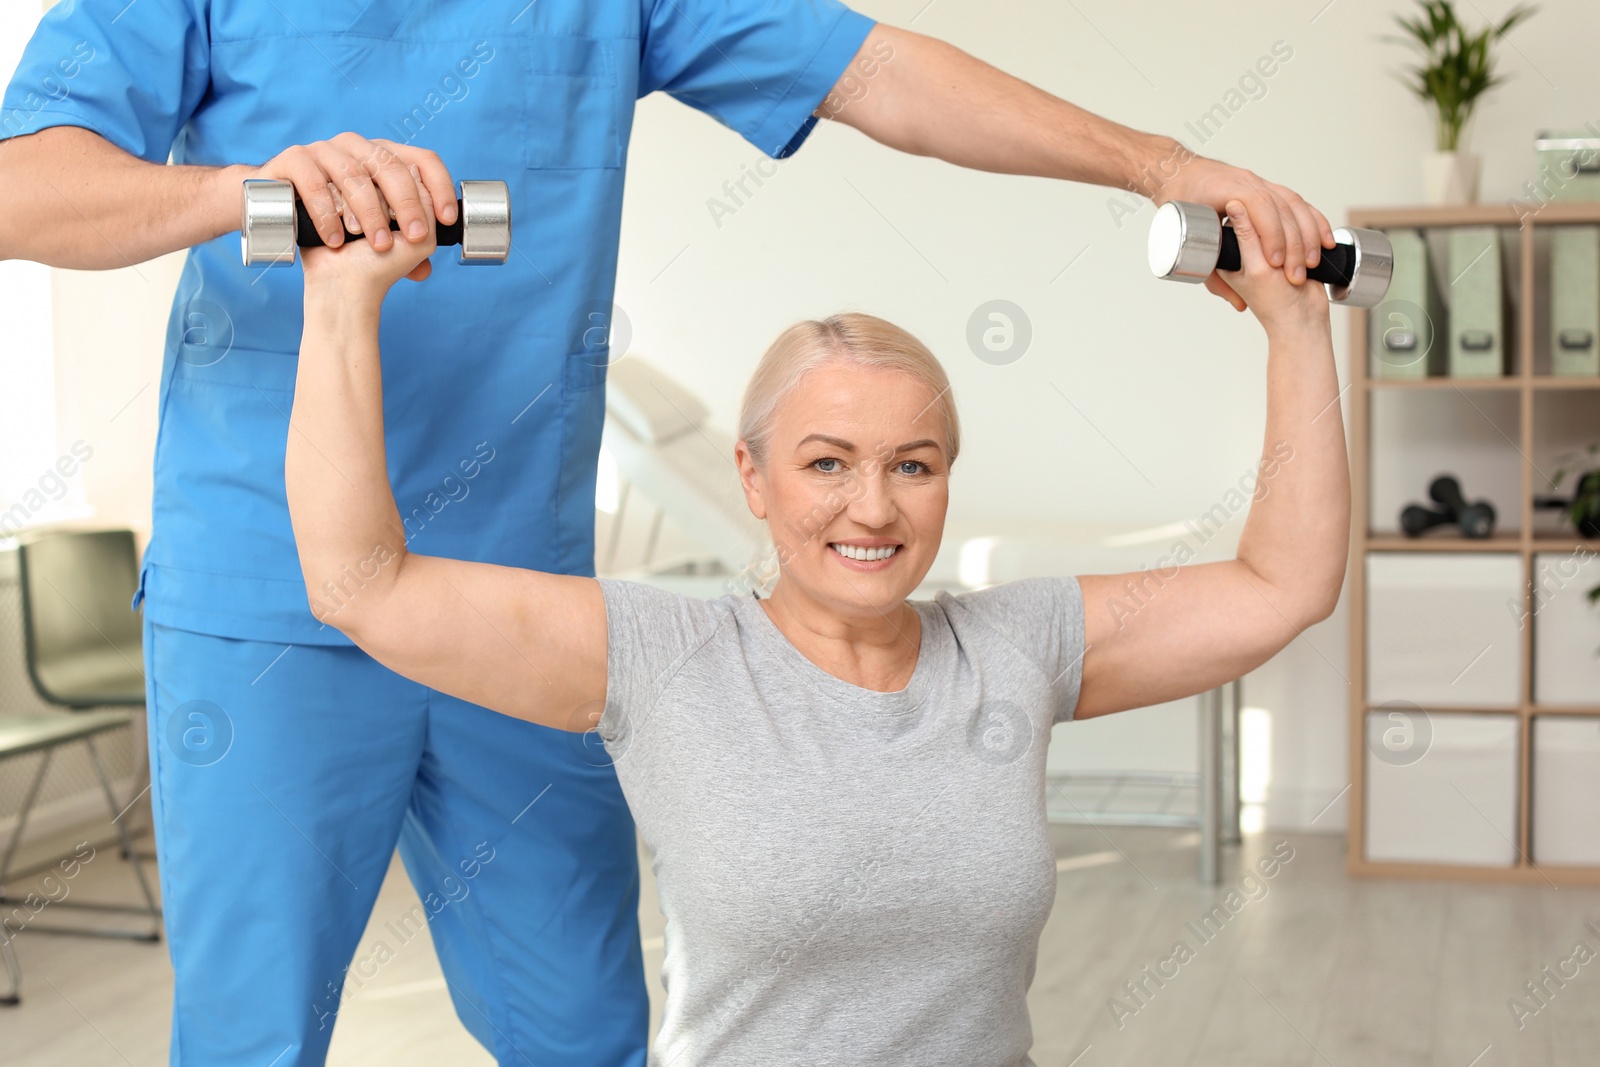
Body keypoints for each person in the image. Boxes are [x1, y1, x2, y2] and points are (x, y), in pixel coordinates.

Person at [0, 2, 1338, 1062]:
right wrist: (254, 195)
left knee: (585, 1028)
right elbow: (21, 189)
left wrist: (1160, 162)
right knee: (251, 1038)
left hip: (528, 608)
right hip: (264, 593)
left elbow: (887, 79)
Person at [285, 176, 1350, 1066]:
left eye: (912, 466)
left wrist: (1295, 322)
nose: (874, 507)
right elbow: (362, 584)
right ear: (752, 476)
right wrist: (340, 301)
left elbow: (1281, 583)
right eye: (827, 462)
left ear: (945, 478)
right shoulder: (663, 657)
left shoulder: (1017, 646)